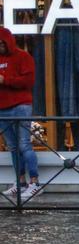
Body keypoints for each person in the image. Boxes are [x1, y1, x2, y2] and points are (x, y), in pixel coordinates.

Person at [0, 28, 40, 200]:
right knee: (13, 146)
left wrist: (5, 80)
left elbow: (29, 81)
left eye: (2, 43)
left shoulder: (23, 57)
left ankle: (34, 183)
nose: (0, 47)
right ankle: (20, 181)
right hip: (2, 107)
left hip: (21, 105)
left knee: (24, 144)